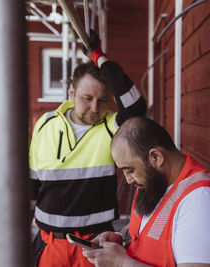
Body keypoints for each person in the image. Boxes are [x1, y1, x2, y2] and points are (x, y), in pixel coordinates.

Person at [29, 31, 146, 267]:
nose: (95, 107)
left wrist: (97, 56)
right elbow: (31, 181)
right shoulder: (46, 123)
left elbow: (135, 105)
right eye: (87, 98)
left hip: (95, 246)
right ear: (71, 94)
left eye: (103, 100)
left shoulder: (111, 126)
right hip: (50, 244)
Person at [83, 117, 210, 267]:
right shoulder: (153, 182)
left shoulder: (201, 202)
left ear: (156, 157)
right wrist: (120, 237)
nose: (128, 180)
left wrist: (121, 263)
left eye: (130, 170)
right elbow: (143, 227)